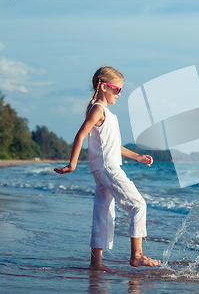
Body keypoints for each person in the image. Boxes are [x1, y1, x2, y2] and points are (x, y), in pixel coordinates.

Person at [54, 65, 160, 272]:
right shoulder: (98, 109)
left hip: (103, 169)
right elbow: (80, 135)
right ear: (104, 87)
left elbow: (114, 145)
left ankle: (96, 263)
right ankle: (136, 255)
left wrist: (137, 156)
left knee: (103, 213)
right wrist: (72, 164)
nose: (119, 94)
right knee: (138, 205)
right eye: (117, 90)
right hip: (108, 168)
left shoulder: (107, 114)